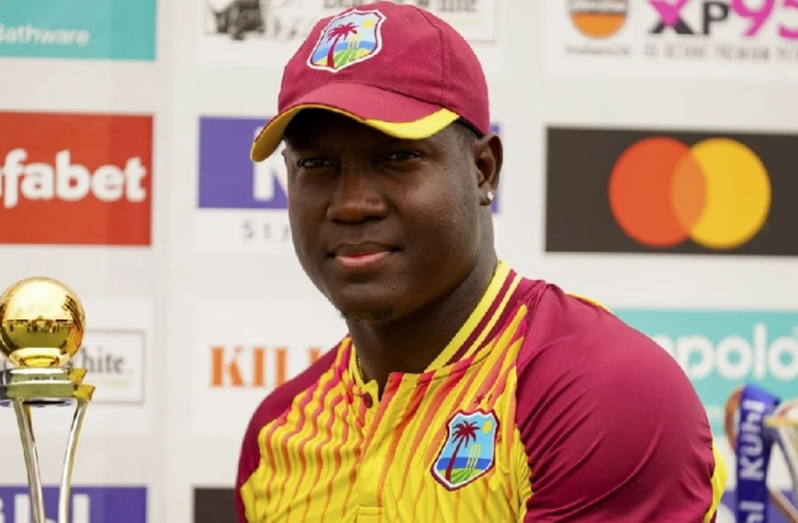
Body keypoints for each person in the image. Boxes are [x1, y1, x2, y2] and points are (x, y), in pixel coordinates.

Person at [234, 2, 727, 521]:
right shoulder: (277, 433)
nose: (352, 203)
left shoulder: (604, 391)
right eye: (316, 164)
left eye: (397, 157)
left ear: (484, 169)